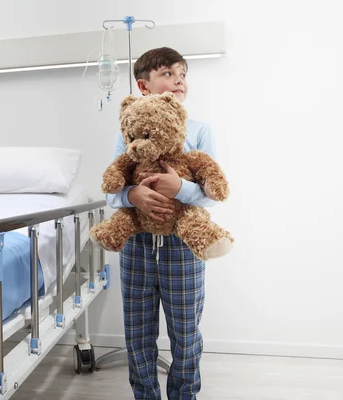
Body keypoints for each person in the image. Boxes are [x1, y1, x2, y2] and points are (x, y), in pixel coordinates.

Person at [105, 47, 219, 399]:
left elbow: (212, 191)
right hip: (138, 246)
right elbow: (112, 189)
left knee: (186, 332)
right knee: (138, 332)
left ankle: (184, 394)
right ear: (144, 85)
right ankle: (146, 395)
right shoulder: (128, 132)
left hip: (182, 248)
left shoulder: (199, 130)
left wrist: (179, 187)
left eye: (182, 74)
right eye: (168, 74)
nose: (178, 80)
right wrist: (133, 196)